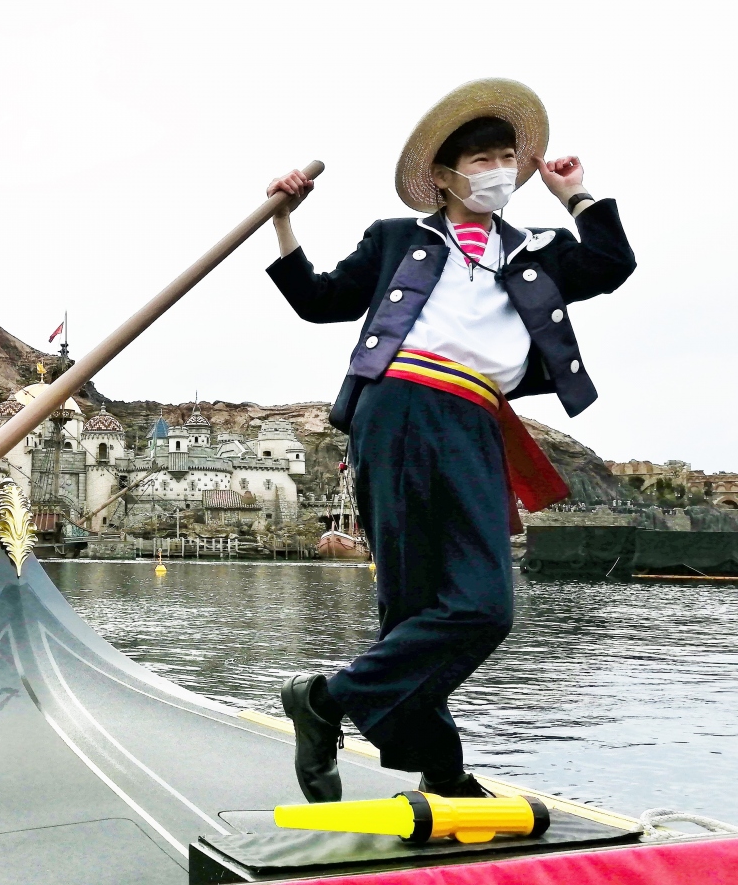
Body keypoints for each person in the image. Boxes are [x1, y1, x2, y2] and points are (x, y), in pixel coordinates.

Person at [265, 79, 635, 800]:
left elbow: (613, 265)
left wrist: (578, 195)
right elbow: (317, 301)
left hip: (473, 419)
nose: (499, 169)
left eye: (508, 156)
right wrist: (286, 220)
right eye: (483, 157)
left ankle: (326, 700)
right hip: (395, 408)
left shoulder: (538, 249)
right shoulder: (397, 239)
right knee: (412, 607)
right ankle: (441, 771)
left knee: (482, 605)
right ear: (443, 176)